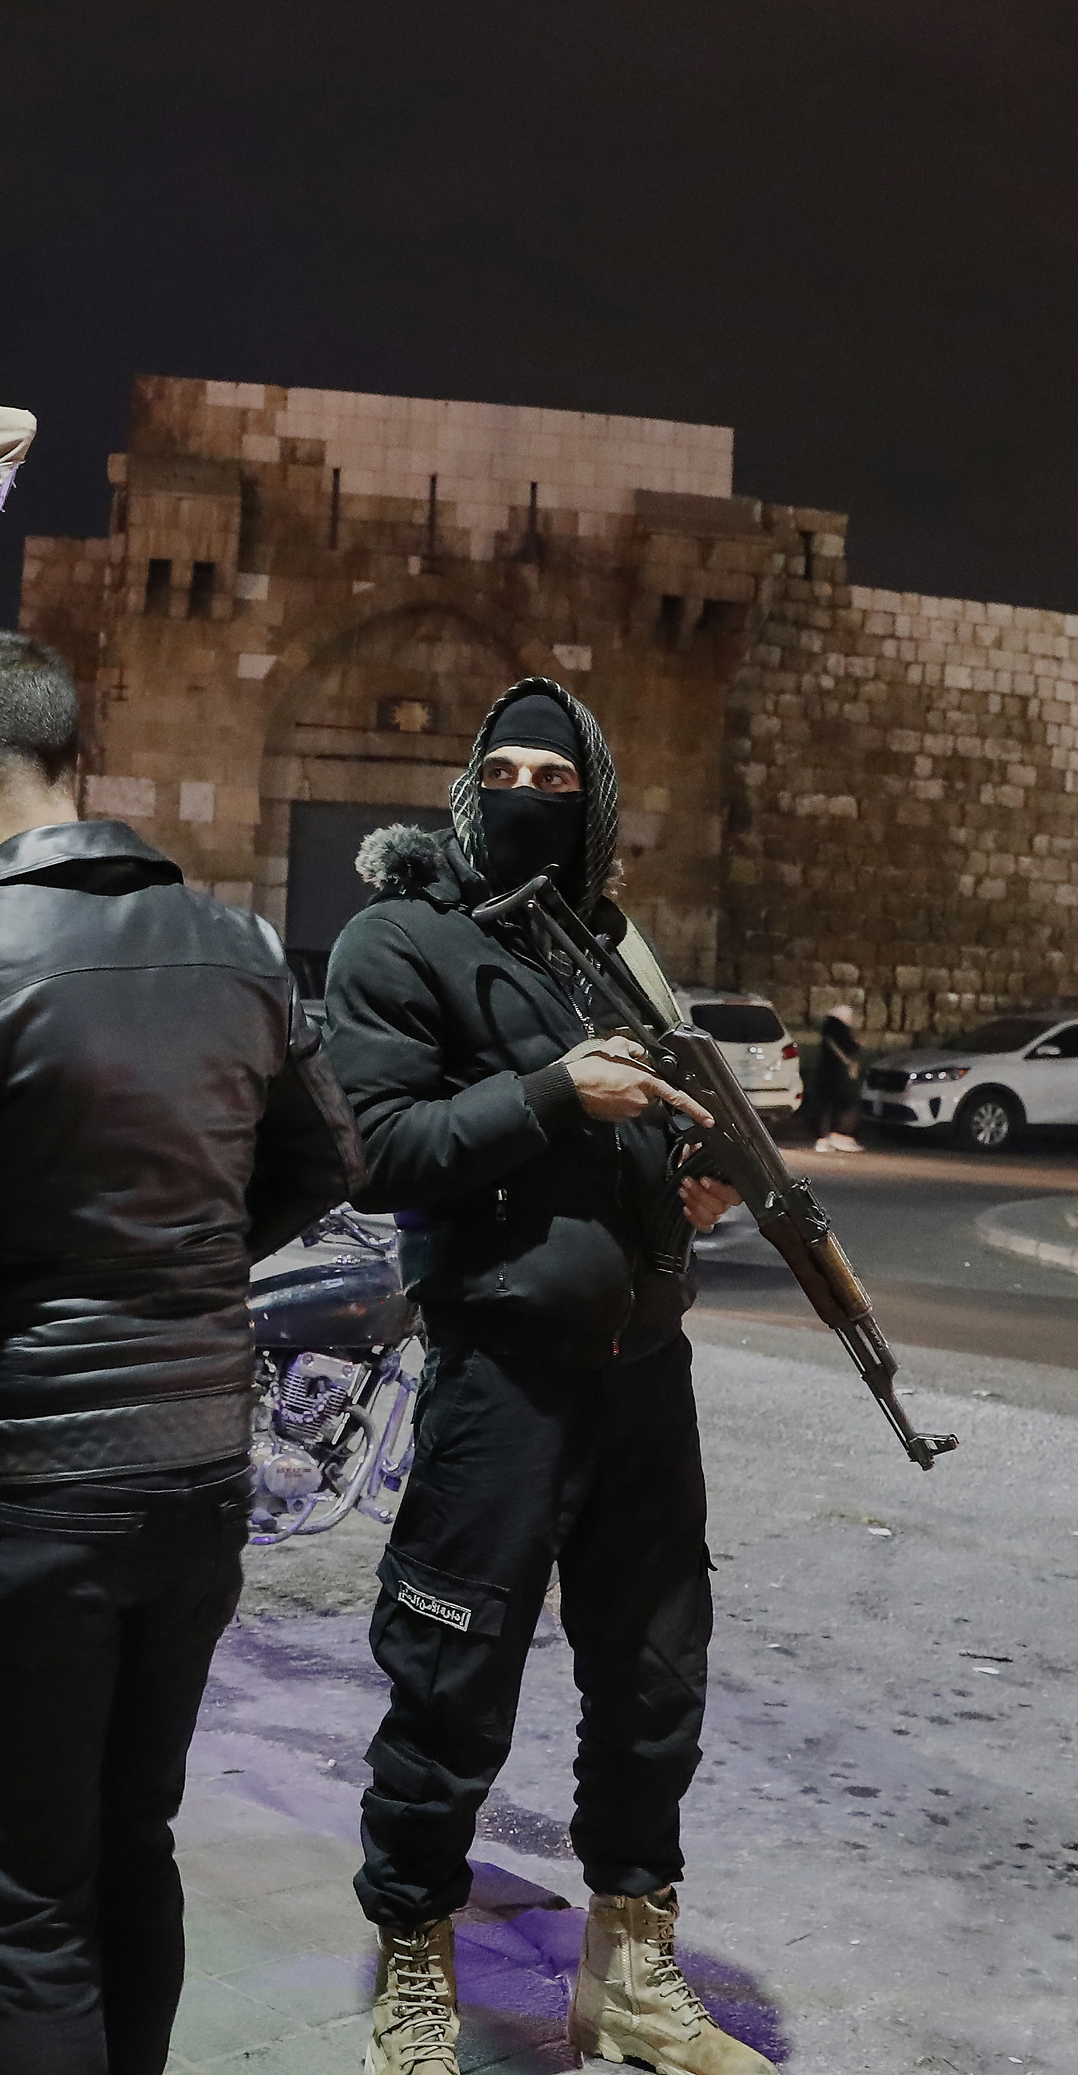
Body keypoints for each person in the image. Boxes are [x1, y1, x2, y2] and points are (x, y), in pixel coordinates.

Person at [0, 628, 361, 2075]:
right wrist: (194, 1258)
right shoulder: (236, 948)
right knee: (128, 1840)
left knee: (27, 1902)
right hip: (195, 1481)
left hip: (25, 1489)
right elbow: (326, 1159)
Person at [324, 677, 770, 2075]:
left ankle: (630, 1975)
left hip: (645, 1375)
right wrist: (558, 1095)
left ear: (596, 804)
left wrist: (695, 1193)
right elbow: (383, 1148)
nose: (527, 794)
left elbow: (646, 1150)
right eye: (503, 770)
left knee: (654, 1682)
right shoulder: (401, 939)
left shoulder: (615, 951)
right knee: (450, 1680)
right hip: (500, 1376)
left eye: (556, 777)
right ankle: (414, 1957)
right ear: (468, 788)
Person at [804, 1002, 865, 1154]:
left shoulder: (828, 1029)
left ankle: (825, 1137)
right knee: (842, 1104)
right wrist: (857, 1045)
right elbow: (847, 1047)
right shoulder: (839, 1029)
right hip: (837, 1075)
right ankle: (836, 1136)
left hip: (826, 1073)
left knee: (826, 1105)